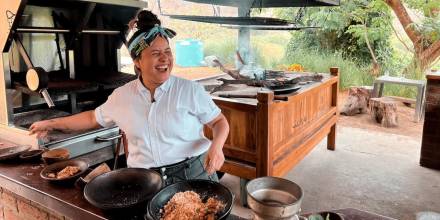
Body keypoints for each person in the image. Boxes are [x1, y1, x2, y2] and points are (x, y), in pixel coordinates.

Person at [28, 10, 229, 185]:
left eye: (167, 51)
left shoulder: (189, 90)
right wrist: (53, 123)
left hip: (192, 173)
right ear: (137, 61)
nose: (165, 58)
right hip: (144, 180)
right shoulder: (122, 96)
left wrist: (217, 147)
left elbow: (219, 122)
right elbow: (91, 118)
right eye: (155, 53)